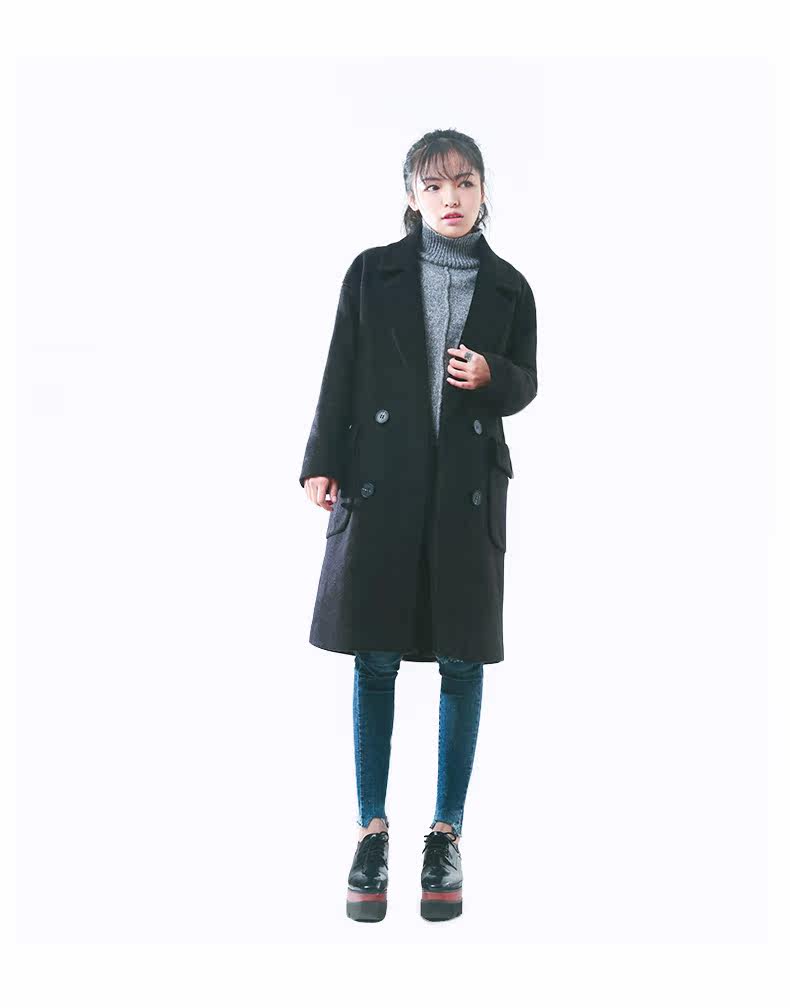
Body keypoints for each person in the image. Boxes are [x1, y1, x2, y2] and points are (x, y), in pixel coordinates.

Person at [299, 129, 538, 922]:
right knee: (374, 658)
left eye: (463, 182)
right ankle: (371, 833)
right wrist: (321, 459)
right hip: (383, 483)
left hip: (466, 491)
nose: (450, 198)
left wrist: (493, 376)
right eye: (433, 185)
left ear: (482, 190)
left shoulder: (509, 287)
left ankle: (446, 836)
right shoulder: (373, 272)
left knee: (462, 663)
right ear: (411, 196)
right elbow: (340, 365)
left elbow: (527, 383)